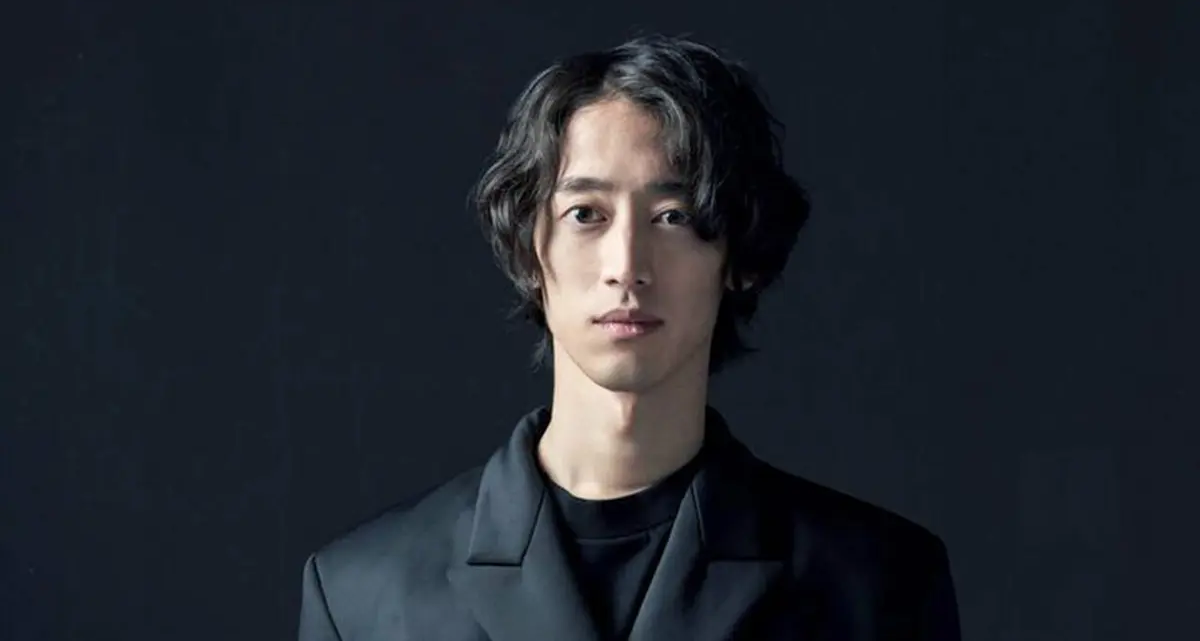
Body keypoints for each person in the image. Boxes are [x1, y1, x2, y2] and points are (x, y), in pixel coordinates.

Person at [297, 34, 962, 641]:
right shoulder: (362, 595)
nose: (627, 266)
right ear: (528, 251)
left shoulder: (879, 584)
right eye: (585, 213)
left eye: (674, 216)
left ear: (739, 258)